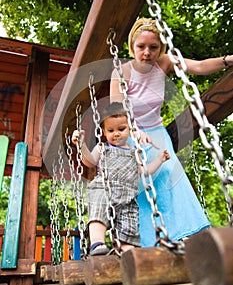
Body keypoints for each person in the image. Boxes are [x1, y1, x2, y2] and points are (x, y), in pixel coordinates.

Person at [110, 17, 233, 247]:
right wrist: (134, 132)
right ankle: (147, 243)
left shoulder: (164, 63)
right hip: (132, 134)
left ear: (161, 48)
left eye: (153, 47)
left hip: (157, 132)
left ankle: (185, 235)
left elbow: (199, 66)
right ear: (132, 46)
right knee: (143, 184)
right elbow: (117, 110)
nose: (147, 53)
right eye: (141, 47)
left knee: (170, 178)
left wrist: (228, 60)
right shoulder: (122, 72)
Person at [72, 102, 170, 255]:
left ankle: (127, 251)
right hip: (105, 189)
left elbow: (144, 171)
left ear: (130, 129)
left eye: (121, 129)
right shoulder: (102, 148)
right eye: (110, 130)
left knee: (129, 223)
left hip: (128, 195)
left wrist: (159, 160)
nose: (116, 133)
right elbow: (89, 161)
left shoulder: (134, 151)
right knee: (98, 211)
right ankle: (97, 243)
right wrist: (81, 145)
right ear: (103, 131)